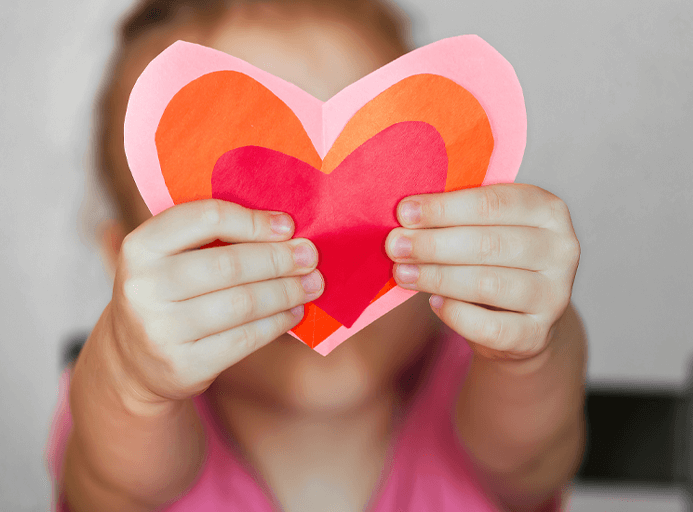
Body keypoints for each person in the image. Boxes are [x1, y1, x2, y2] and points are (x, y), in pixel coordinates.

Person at [47, 1, 587, 510]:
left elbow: (532, 453)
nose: (315, 262)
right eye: (243, 214)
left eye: (373, 199)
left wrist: (530, 348)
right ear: (127, 269)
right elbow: (108, 484)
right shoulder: (146, 432)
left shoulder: (478, 392)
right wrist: (130, 376)